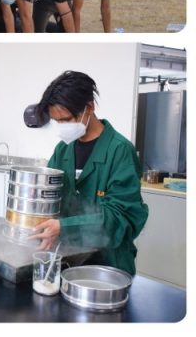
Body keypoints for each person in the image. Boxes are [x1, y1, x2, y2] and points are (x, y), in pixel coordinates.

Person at [28, 71, 148, 275]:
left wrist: (65, 227)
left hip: (108, 264)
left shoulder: (120, 151)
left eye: (67, 119)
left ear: (89, 108)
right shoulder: (63, 149)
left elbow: (121, 218)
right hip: (68, 257)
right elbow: (49, 196)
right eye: (57, 121)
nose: (62, 127)